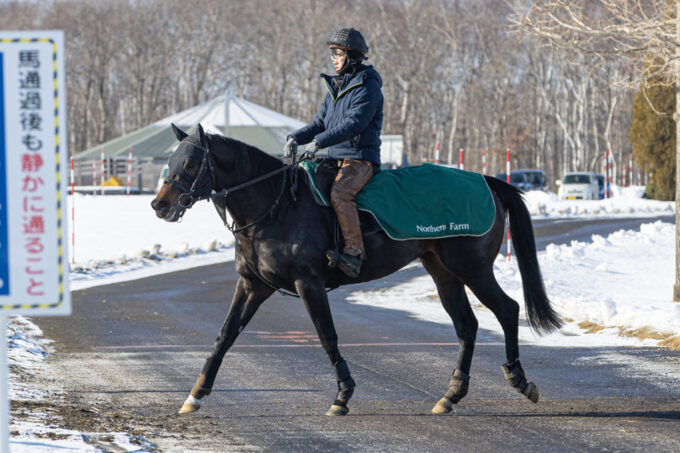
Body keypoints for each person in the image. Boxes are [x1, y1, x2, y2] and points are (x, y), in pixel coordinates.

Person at [284, 27, 383, 278]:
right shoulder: (334, 88)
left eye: (337, 54)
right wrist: (296, 137)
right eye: (333, 55)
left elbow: (354, 124)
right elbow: (319, 123)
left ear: (351, 55)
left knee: (340, 194)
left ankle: (353, 253)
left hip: (360, 159)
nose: (334, 59)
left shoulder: (368, 87)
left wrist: (318, 142)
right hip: (334, 158)